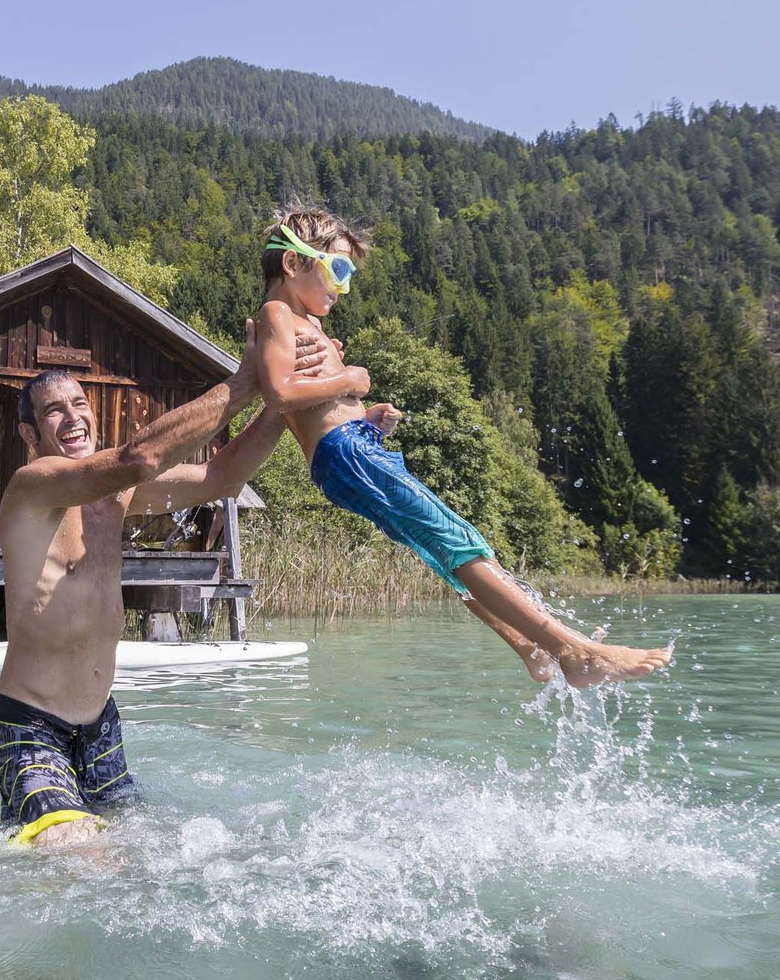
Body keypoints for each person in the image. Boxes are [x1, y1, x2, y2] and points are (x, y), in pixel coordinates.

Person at [251, 203, 673, 688]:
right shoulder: (277, 314)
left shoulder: (305, 323)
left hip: (350, 451)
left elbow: (309, 413)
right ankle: (574, 651)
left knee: (441, 552)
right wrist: (350, 378)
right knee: (460, 542)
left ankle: (530, 646)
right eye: (338, 269)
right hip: (348, 456)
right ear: (292, 263)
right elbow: (279, 393)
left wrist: (364, 415)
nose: (342, 288)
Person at [0, 337, 291, 846]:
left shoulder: (118, 492)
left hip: (101, 728)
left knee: (138, 854)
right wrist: (244, 384)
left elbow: (224, 477)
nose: (73, 418)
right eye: (54, 412)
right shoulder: (31, 486)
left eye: (79, 405)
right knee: (84, 855)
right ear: (29, 432)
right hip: (30, 726)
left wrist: (283, 405)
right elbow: (140, 456)